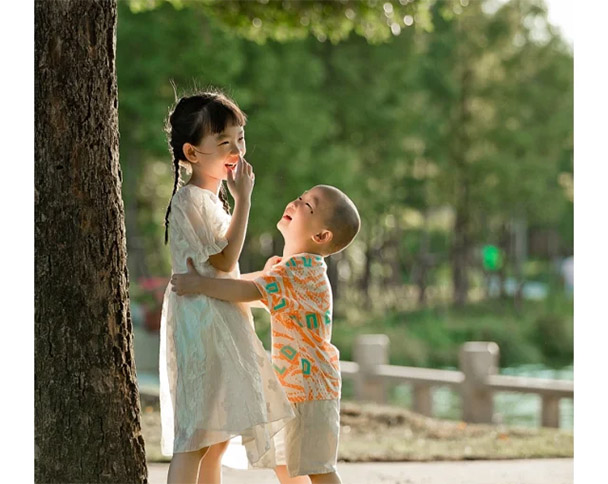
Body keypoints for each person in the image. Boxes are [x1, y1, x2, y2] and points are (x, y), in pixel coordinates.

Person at [171, 185, 361, 484]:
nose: (296, 203)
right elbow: (247, 286)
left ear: (321, 236)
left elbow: (245, 291)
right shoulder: (292, 270)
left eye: (308, 205)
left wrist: (200, 284)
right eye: (299, 197)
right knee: (287, 465)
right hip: (297, 387)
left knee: (318, 467)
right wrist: (214, 281)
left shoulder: (300, 270)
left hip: (311, 388)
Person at [159, 90, 294, 484]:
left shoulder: (212, 200)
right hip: (203, 326)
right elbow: (224, 261)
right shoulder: (190, 200)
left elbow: (222, 268)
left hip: (218, 318)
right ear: (192, 152)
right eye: (223, 142)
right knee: (197, 436)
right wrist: (245, 201)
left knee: (216, 437)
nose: (236, 150)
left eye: (240, 139)